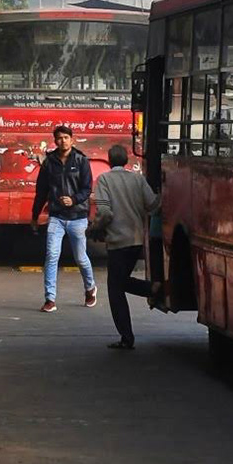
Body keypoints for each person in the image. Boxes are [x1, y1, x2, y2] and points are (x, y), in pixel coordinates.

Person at [90, 141, 157, 350]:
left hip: (117, 241)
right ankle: (152, 289)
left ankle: (127, 337)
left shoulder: (104, 180)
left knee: (115, 289)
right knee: (120, 282)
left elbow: (105, 212)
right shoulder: (137, 179)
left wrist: (94, 228)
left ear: (109, 161)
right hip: (136, 240)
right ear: (126, 160)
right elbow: (154, 204)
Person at [32, 124, 95, 312]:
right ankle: (50, 299)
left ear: (72, 139)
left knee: (81, 258)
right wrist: (34, 216)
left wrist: (74, 200)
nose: (63, 141)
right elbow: (41, 191)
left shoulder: (81, 160)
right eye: (59, 138)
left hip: (78, 217)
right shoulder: (49, 163)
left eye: (66, 138)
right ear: (55, 141)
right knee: (51, 255)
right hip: (56, 216)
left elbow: (87, 188)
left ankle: (90, 288)